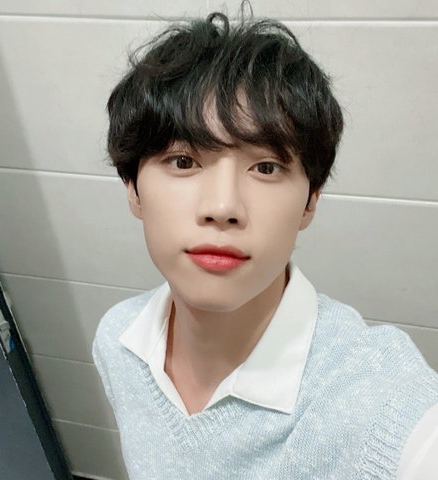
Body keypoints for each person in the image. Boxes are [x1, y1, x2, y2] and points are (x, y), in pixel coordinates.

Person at [92, 8, 438, 479]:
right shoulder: (117, 341)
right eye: (183, 161)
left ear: (310, 201)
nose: (222, 207)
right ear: (133, 188)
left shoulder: (377, 398)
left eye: (266, 168)